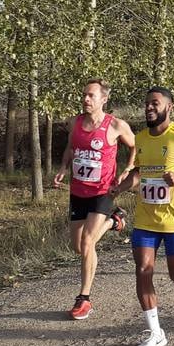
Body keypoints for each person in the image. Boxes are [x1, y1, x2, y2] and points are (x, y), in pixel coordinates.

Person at [114, 87, 174, 346]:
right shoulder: (141, 138)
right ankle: (155, 332)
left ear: (170, 107)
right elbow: (140, 173)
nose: (149, 108)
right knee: (143, 268)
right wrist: (120, 188)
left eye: (155, 103)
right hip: (145, 218)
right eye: (146, 104)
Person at [53, 79, 135, 320]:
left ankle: (84, 299)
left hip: (103, 191)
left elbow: (135, 147)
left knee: (88, 243)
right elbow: (71, 147)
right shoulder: (74, 123)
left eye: (91, 95)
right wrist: (63, 167)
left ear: (104, 99)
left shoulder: (116, 126)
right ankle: (114, 219)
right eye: (84, 95)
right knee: (79, 247)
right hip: (78, 192)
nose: (86, 99)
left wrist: (128, 169)